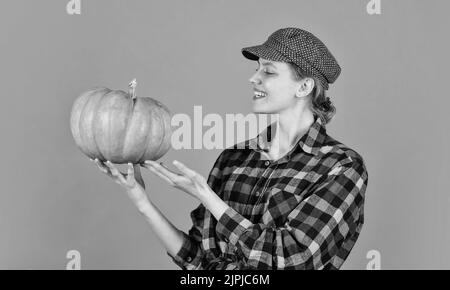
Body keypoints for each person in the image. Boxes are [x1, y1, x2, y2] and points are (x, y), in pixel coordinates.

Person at [92, 27, 369, 270]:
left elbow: (293, 259)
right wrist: (142, 201)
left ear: (305, 86)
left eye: (269, 71)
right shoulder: (233, 159)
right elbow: (198, 260)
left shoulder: (341, 167)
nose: (254, 78)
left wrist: (207, 195)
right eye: (256, 68)